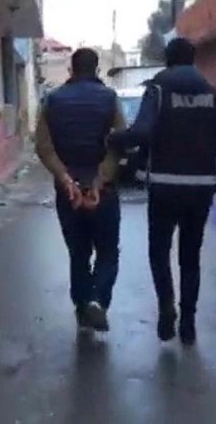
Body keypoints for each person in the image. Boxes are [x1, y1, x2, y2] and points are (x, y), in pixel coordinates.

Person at [109, 38, 216, 345]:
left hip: (164, 186)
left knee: (159, 251)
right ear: (192, 60)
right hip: (201, 188)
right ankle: (189, 323)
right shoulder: (210, 93)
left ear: (168, 60)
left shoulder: (158, 89)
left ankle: (167, 307)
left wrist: (115, 140)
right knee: (190, 257)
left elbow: (142, 132)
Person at [35, 48, 127, 332]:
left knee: (78, 252)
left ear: (71, 70)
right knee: (107, 251)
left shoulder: (52, 100)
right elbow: (119, 143)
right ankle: (98, 300)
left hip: (68, 193)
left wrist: (66, 179)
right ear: (97, 70)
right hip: (104, 192)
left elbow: (43, 147)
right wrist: (99, 181)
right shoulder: (110, 99)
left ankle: (83, 306)